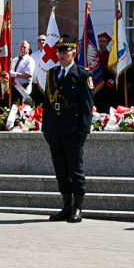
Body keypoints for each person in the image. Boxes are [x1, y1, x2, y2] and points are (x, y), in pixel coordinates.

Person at [35, 35, 94, 223]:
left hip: (73, 130)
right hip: (55, 129)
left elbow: (87, 106)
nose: (61, 55)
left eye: (65, 52)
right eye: (59, 52)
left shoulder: (83, 75)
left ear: (73, 53)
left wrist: (83, 131)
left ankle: (77, 208)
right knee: (60, 170)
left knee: (75, 170)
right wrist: (46, 128)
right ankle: (66, 207)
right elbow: (47, 103)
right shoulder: (52, 74)